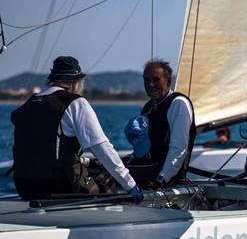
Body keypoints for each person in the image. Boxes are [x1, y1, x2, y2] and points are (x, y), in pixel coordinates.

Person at [11, 56, 142, 202]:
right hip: (59, 185)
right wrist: (130, 185)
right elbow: (101, 148)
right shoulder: (75, 103)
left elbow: (45, 150)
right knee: (104, 180)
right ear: (76, 82)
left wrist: (84, 160)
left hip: (24, 186)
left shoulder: (29, 104)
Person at [126, 59, 196, 188]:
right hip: (148, 174)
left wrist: (162, 179)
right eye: (146, 80)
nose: (151, 85)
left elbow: (179, 149)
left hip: (167, 181)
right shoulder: (148, 107)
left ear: (168, 81)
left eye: (156, 80)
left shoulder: (178, 103)